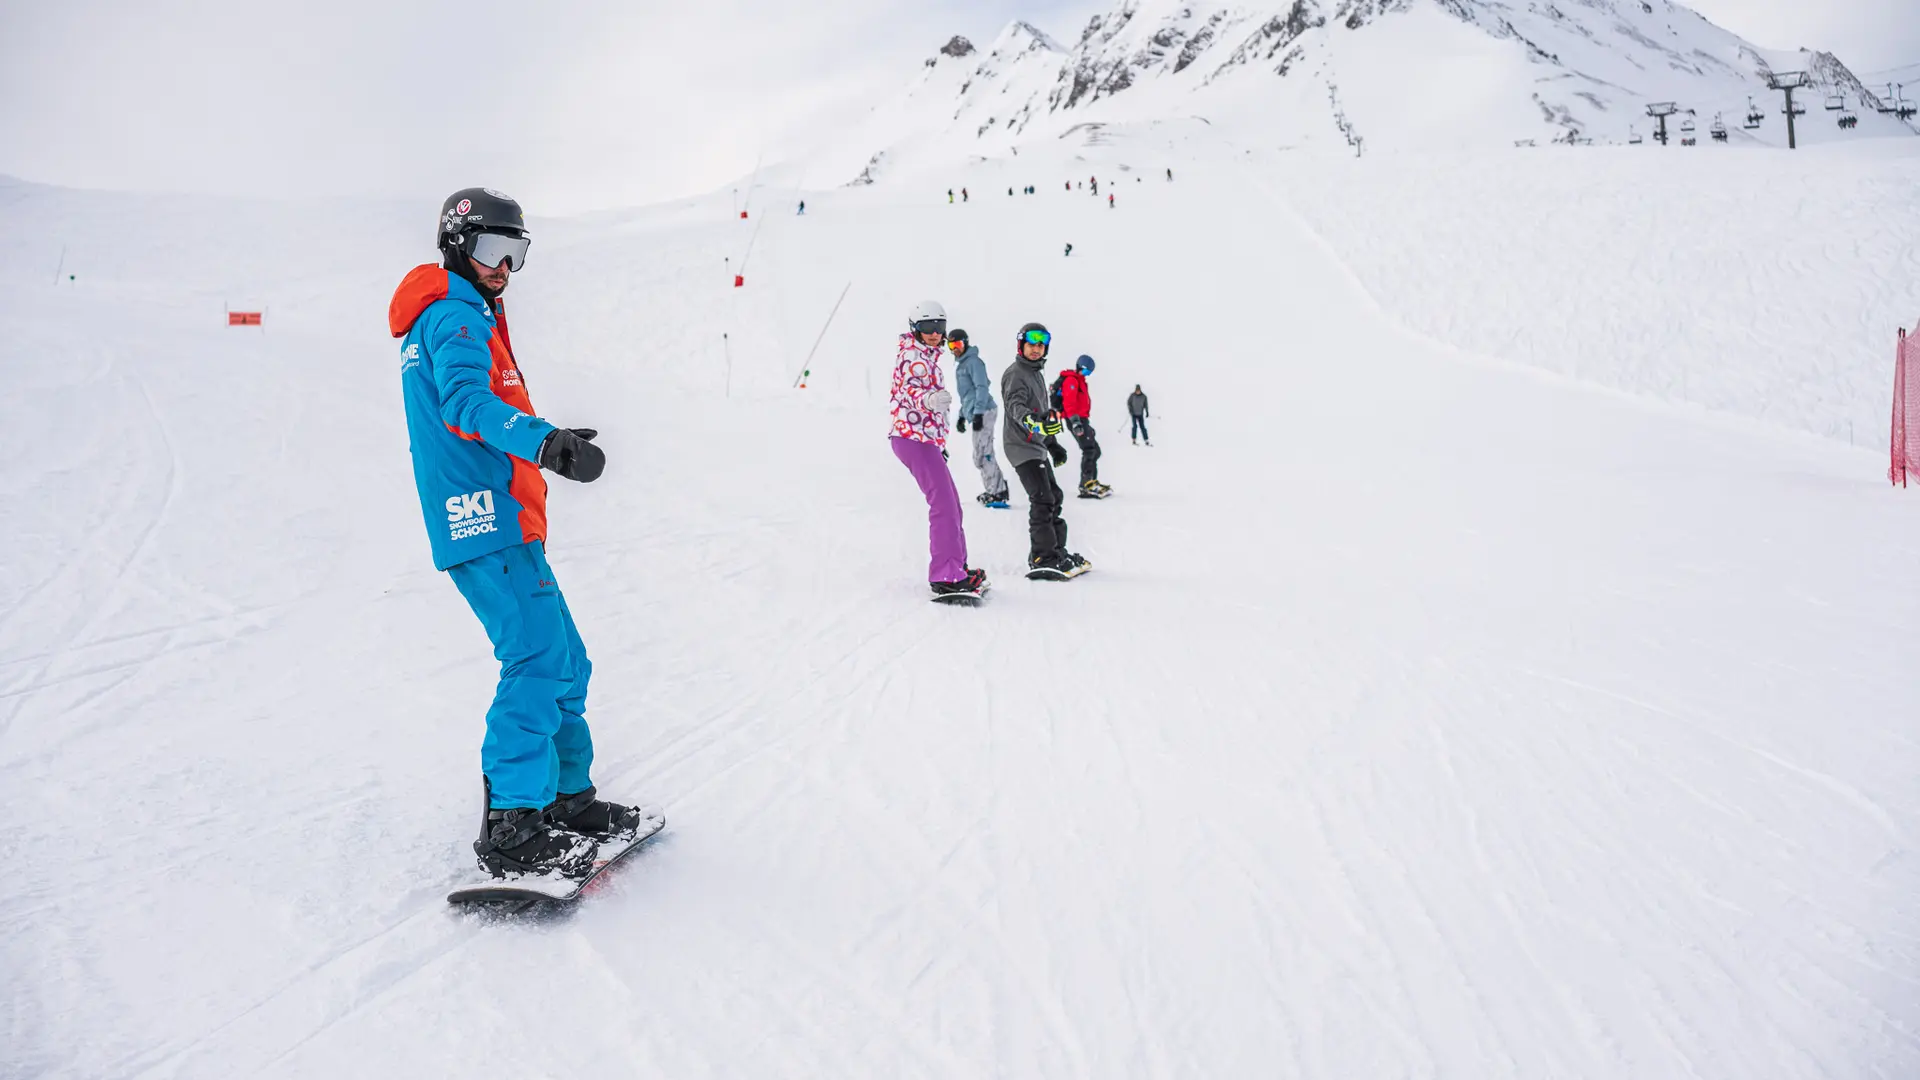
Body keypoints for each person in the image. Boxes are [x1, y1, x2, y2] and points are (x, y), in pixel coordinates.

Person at [389, 187, 648, 880]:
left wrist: (544, 442)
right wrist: (547, 443)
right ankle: (512, 824)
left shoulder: (469, 312)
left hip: (503, 519)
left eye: (517, 253)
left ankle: (565, 798)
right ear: (456, 245)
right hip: (484, 519)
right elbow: (470, 405)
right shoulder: (451, 316)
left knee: (566, 658)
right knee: (536, 660)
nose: (503, 268)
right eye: (492, 250)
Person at [890, 301, 986, 598]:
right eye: (927, 328)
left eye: (939, 328)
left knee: (952, 503)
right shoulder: (912, 355)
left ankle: (957, 567)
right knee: (943, 504)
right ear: (914, 329)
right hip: (911, 437)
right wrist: (928, 400)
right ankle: (946, 574)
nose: (934, 334)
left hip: (924, 439)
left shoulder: (928, 355)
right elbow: (908, 389)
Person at [1002, 324, 1088, 579]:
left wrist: (1052, 444)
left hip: (1036, 446)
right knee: (1042, 499)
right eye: (1031, 344)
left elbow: (1045, 415)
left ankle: (1056, 552)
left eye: (1041, 345)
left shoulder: (1036, 374)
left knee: (1055, 496)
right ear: (1021, 345)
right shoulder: (1016, 373)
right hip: (1021, 447)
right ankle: (1043, 557)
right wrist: (1032, 422)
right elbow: (1015, 406)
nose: (1036, 349)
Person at [948, 329, 1009, 507]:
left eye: (958, 345)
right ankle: (994, 488)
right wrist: (961, 415)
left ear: (965, 343)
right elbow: (968, 395)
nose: (955, 349)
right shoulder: (962, 365)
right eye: (951, 345)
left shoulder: (974, 362)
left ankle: (997, 492)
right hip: (975, 411)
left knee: (984, 452)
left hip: (984, 411)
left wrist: (978, 414)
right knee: (979, 455)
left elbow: (982, 388)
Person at [1054, 354, 1110, 497]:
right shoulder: (1072, 381)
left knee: (1095, 450)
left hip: (1083, 420)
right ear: (1079, 366)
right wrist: (1075, 422)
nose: (1086, 374)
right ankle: (1086, 485)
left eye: (1089, 373)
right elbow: (1069, 402)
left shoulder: (1080, 381)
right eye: (1085, 371)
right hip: (1076, 419)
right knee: (1089, 450)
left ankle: (1092, 481)